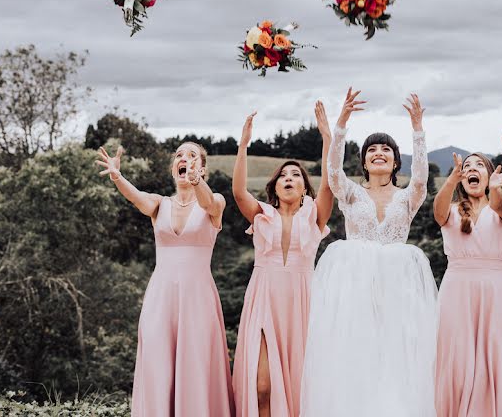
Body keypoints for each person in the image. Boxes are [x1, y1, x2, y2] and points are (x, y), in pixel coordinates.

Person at [300, 88, 438, 417]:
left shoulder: (408, 197)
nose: (379, 152)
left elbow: (421, 179)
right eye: (372, 149)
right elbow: (333, 172)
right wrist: (343, 121)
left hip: (396, 287)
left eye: (386, 149)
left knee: (394, 356)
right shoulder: (349, 193)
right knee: (355, 355)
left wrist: (418, 129)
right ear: (363, 161)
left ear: (395, 161)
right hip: (355, 286)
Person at [95, 141, 234, 417]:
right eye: (180, 155)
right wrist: (117, 176)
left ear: (202, 169)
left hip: (197, 299)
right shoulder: (160, 204)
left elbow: (206, 202)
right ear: (174, 169)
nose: (185, 158)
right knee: (158, 364)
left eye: (192, 155)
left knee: (195, 364)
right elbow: (138, 198)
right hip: (161, 298)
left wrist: (196, 182)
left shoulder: (215, 201)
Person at [231, 102, 333, 417]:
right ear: (275, 185)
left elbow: (330, 186)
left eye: (295, 175)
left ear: (305, 186)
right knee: (262, 386)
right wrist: (243, 145)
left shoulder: (315, 213)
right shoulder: (262, 214)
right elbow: (237, 193)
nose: (288, 178)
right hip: (264, 298)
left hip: (303, 301)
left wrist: (328, 139)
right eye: (283, 176)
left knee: (303, 385)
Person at [432, 151, 502, 416]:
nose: (472, 169)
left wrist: (496, 190)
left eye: (479, 166)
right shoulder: (450, 211)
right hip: (457, 291)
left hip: (496, 290)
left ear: (488, 176)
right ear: (463, 178)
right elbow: (437, 210)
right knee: (457, 358)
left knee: (498, 356)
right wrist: (451, 178)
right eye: (468, 166)